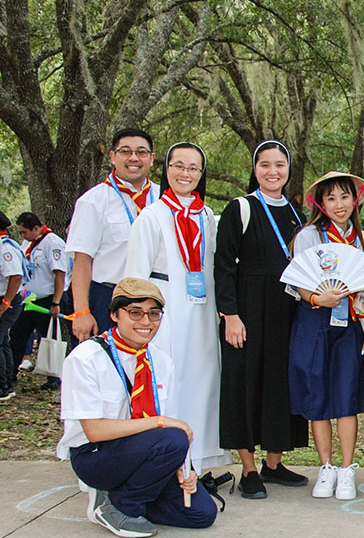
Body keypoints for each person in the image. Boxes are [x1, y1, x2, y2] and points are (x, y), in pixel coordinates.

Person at [57, 278, 216, 538]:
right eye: (135, 313)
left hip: (145, 453)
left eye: (154, 314)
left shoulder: (161, 360)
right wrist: (159, 423)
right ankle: (119, 506)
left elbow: (170, 421)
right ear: (114, 315)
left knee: (201, 514)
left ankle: (129, 495)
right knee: (172, 437)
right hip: (96, 455)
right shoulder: (86, 359)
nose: (146, 322)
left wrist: (185, 469)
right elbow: (95, 431)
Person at [124, 142, 227, 475]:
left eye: (193, 168)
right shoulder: (152, 216)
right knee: (171, 381)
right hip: (165, 313)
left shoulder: (208, 217)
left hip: (201, 311)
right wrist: (140, 319)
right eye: (178, 166)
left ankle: (199, 462)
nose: (185, 174)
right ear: (166, 169)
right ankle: (168, 462)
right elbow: (135, 276)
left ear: (201, 173)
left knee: (204, 381)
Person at [214, 140, 307, 499]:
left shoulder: (296, 213)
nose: (273, 172)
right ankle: (249, 468)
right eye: (265, 165)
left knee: (279, 385)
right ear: (255, 169)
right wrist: (231, 315)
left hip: (287, 309)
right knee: (245, 383)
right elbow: (222, 266)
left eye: (279, 165)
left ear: (288, 169)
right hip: (248, 309)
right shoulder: (241, 207)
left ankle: (273, 463)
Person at [290, 172, 364, 501]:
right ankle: (325, 468)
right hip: (314, 321)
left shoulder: (363, 239)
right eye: (330, 198)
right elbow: (298, 281)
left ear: (354, 200)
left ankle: (346, 469)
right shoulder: (309, 236)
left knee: (346, 396)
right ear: (320, 203)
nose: (339, 205)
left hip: (351, 326)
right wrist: (317, 298)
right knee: (317, 394)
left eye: (344, 197)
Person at [66, 128, 158, 340]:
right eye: (125, 151)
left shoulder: (163, 197)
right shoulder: (93, 201)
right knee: (108, 366)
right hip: (109, 297)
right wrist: (82, 312)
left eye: (141, 152)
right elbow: (82, 260)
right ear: (113, 156)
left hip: (155, 298)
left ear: (151, 158)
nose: (134, 158)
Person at [10, 212, 68, 391]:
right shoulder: (27, 243)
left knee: (49, 338)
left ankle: (54, 378)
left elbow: (59, 273)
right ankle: (10, 374)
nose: (23, 236)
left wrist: (56, 302)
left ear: (36, 228)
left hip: (47, 299)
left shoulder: (53, 243)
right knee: (17, 336)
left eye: (24, 232)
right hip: (28, 299)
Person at [0, 211, 27, 400]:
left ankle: (3, 387)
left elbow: (16, 276)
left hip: (7, 299)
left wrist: (5, 302)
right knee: (2, 342)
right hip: (5, 298)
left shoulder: (5, 248)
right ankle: (8, 380)